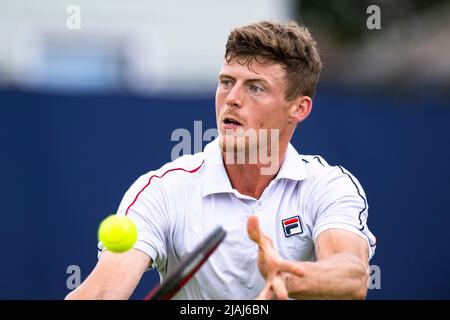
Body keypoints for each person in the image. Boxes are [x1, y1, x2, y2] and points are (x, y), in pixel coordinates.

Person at [66, 20, 376, 300]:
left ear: (299, 108)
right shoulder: (162, 191)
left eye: (255, 87)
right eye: (227, 82)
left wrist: (293, 277)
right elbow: (103, 292)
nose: (232, 98)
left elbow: (351, 275)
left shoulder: (327, 186)